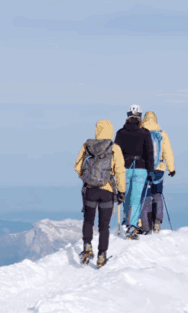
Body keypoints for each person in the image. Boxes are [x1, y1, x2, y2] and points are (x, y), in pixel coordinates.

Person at [75, 119, 125, 268]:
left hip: (90, 190)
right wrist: (121, 191)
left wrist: (87, 178)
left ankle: (87, 246)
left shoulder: (87, 146)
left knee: (88, 220)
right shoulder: (114, 148)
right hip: (107, 190)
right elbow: (120, 172)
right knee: (104, 225)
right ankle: (102, 255)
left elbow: (77, 166)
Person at [114, 104, 154, 239]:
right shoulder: (145, 133)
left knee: (125, 196)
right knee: (136, 200)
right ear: (140, 116)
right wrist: (151, 171)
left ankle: (125, 221)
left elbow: (116, 153)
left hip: (124, 168)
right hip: (141, 168)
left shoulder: (120, 133)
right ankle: (132, 225)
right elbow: (149, 153)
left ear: (127, 115)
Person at [140, 111, 176, 233]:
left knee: (146, 195)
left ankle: (145, 224)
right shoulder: (162, 134)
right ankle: (157, 221)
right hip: (159, 169)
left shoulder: (141, 133)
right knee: (158, 194)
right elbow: (168, 152)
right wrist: (171, 169)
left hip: (144, 169)